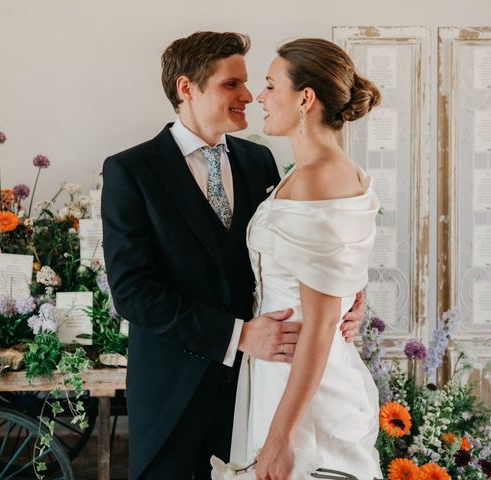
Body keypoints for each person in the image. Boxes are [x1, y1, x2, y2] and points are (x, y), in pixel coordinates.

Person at [101, 32, 366, 480]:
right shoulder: (131, 170)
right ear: (187, 89)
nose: (248, 95)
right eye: (232, 84)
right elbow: (132, 293)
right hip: (174, 391)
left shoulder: (258, 160)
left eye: (250, 83)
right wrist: (237, 335)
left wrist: (348, 291)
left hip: (259, 387)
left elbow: (308, 244)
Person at [216, 38, 383, 480]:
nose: (260, 98)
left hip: (304, 391)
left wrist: (281, 436)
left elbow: (324, 321)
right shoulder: (314, 173)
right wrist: (352, 291)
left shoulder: (319, 179)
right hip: (278, 373)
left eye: (271, 86)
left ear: (305, 98)